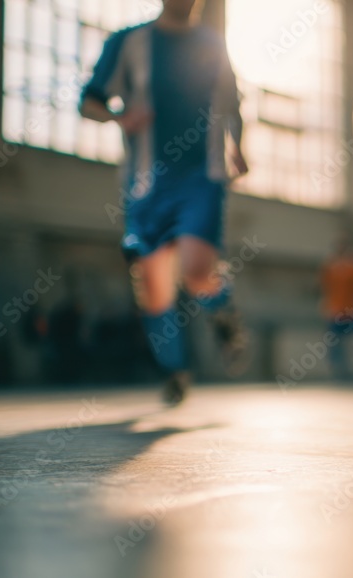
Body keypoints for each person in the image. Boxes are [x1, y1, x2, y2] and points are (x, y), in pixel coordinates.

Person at [80, 0, 252, 405]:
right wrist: (120, 118)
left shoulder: (213, 45)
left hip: (202, 178)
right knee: (154, 291)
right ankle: (175, 371)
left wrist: (238, 147)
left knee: (195, 271)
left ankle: (223, 312)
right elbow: (89, 101)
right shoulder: (129, 42)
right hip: (146, 185)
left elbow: (232, 105)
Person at [320, 236, 353, 380]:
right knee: (335, 342)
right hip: (335, 310)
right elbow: (325, 288)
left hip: (352, 310)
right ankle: (337, 371)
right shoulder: (330, 267)